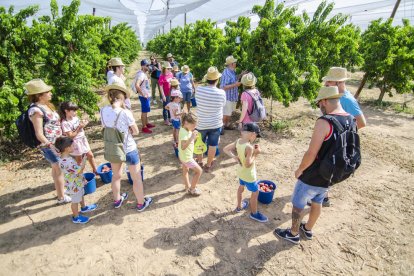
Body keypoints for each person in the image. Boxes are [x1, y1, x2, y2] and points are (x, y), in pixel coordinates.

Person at [274, 86, 355, 244]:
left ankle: (293, 233)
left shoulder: (325, 122)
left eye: (319, 104)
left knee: (298, 205)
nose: (319, 108)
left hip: (314, 174)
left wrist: (300, 170)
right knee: (317, 201)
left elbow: (311, 153)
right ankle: (308, 229)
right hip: (332, 173)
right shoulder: (351, 119)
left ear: (325, 101)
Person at [100, 81, 153, 211]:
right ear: (122, 97)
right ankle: (141, 203)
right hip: (128, 148)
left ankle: (117, 200)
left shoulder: (103, 110)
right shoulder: (125, 112)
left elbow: (105, 127)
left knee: (116, 175)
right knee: (136, 178)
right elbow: (135, 131)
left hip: (114, 148)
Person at [322, 67, 367, 206]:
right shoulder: (335, 95)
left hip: (334, 141)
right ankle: (321, 196)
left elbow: (361, 122)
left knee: (326, 166)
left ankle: (322, 198)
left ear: (339, 82)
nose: (326, 84)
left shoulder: (347, 99)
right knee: (323, 165)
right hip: (328, 138)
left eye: (329, 81)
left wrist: (342, 136)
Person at [26, 79, 69, 204]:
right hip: (49, 145)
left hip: (57, 143)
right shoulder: (36, 111)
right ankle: (61, 197)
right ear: (39, 95)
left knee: (55, 168)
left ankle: (61, 191)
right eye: (47, 91)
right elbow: (39, 133)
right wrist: (51, 146)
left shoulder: (45, 106)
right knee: (58, 168)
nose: (50, 93)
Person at [223, 123, 268, 223]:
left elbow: (225, 149)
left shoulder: (238, 141)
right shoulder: (249, 148)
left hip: (241, 172)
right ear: (252, 134)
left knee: (241, 187)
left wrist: (235, 157)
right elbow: (248, 165)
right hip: (249, 175)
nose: (255, 139)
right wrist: (256, 154)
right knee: (255, 192)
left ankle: (239, 206)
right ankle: (254, 213)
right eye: (256, 136)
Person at [55, 137, 98, 224]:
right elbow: (80, 170)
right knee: (75, 201)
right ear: (67, 148)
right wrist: (84, 160)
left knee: (81, 194)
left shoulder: (64, 158)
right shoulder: (67, 162)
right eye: (72, 146)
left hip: (76, 182)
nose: (74, 147)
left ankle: (84, 207)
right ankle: (76, 217)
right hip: (74, 185)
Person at [195, 67, 226, 172]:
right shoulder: (221, 93)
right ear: (217, 80)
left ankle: (199, 162)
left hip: (201, 124)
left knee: (200, 143)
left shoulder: (199, 89)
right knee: (213, 145)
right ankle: (208, 165)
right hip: (215, 124)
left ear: (206, 79)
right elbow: (223, 105)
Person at [59, 101, 98, 174]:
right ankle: (81, 176)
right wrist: (80, 128)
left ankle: (95, 170)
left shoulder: (75, 118)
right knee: (79, 161)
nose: (75, 112)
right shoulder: (65, 123)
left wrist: (83, 123)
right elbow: (70, 136)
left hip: (83, 139)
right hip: (76, 143)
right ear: (66, 111)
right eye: (73, 110)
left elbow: (79, 126)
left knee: (90, 155)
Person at [220, 56, 247, 134]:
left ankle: (226, 125)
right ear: (232, 64)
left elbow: (234, 80)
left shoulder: (232, 71)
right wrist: (235, 85)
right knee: (225, 113)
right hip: (227, 97)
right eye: (235, 62)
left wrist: (241, 75)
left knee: (229, 113)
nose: (236, 63)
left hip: (232, 97)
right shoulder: (226, 73)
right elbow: (223, 87)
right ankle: (220, 127)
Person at [179, 113, 202, 196]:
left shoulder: (183, 128)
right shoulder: (184, 134)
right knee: (199, 171)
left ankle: (187, 186)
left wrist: (193, 138)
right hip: (187, 157)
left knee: (185, 170)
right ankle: (192, 189)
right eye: (193, 126)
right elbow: (183, 147)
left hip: (182, 156)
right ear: (186, 123)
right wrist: (192, 138)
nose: (194, 127)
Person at [133, 59, 155, 134]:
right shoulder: (141, 75)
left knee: (146, 110)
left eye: (149, 65)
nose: (148, 67)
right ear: (142, 66)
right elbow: (137, 85)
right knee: (144, 111)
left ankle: (146, 123)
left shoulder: (143, 73)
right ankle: (144, 127)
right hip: (144, 96)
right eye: (147, 65)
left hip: (146, 95)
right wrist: (143, 94)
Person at [158, 61, 174, 125]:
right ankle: (166, 120)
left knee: (170, 106)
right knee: (165, 107)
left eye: (170, 68)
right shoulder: (162, 76)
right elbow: (161, 87)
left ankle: (170, 118)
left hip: (171, 93)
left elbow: (172, 82)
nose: (169, 70)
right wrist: (163, 96)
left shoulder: (171, 74)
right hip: (166, 94)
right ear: (164, 68)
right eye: (168, 68)